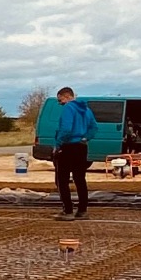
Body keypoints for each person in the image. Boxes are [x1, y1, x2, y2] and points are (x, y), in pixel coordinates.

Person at [51, 87, 93, 219]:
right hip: (81, 147)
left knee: (62, 179)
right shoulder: (86, 109)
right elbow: (94, 127)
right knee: (80, 179)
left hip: (68, 147)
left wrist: (58, 145)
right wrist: (86, 137)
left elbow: (66, 128)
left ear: (67, 96)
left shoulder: (68, 108)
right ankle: (82, 210)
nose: (60, 103)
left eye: (60, 100)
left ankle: (68, 211)